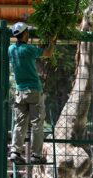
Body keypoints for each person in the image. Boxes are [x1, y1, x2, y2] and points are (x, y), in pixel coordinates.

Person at [8, 22, 55, 164]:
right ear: (25, 33)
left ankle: (15, 152)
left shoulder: (11, 49)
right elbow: (48, 53)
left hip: (19, 92)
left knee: (20, 123)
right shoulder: (29, 49)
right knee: (37, 123)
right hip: (33, 90)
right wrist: (52, 41)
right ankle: (36, 155)